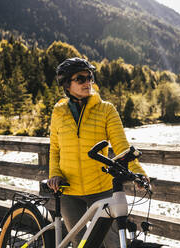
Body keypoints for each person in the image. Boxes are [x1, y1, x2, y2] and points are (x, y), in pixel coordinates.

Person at [47, 57, 149, 247]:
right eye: (81, 79)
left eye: (90, 77)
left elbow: (122, 147)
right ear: (67, 84)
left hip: (102, 189)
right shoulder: (58, 112)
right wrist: (54, 174)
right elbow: (55, 149)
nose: (88, 82)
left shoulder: (106, 110)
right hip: (69, 190)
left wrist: (139, 173)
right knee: (82, 244)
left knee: (114, 243)